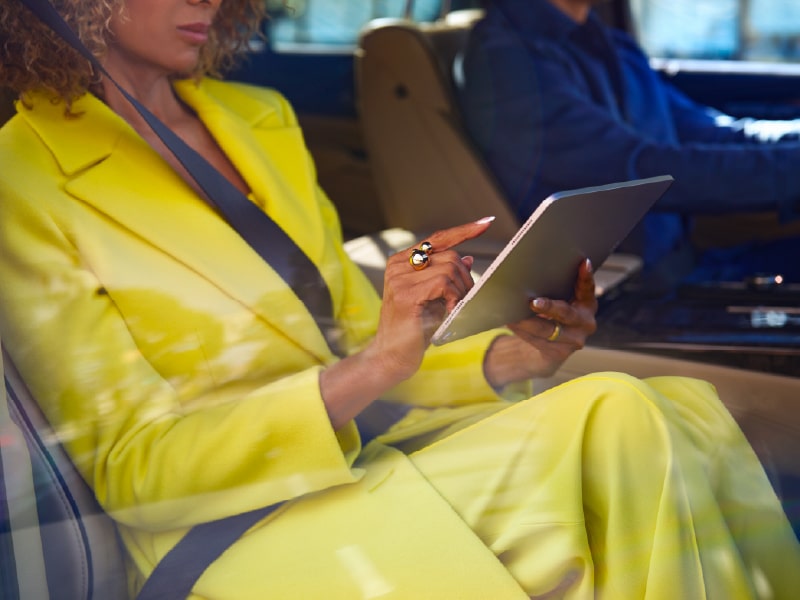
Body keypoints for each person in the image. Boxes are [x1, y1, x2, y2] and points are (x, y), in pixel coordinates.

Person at [1, 0, 799, 598]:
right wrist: (370, 369)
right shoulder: (24, 177)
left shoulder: (258, 119)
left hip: (360, 461)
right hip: (227, 524)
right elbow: (132, 471)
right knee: (621, 421)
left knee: (681, 410)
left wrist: (505, 356)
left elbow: (355, 333)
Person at [459, 0, 800, 284]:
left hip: (684, 262)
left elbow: (709, 130)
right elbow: (636, 170)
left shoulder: (609, 44)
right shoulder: (507, 62)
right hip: (626, 295)